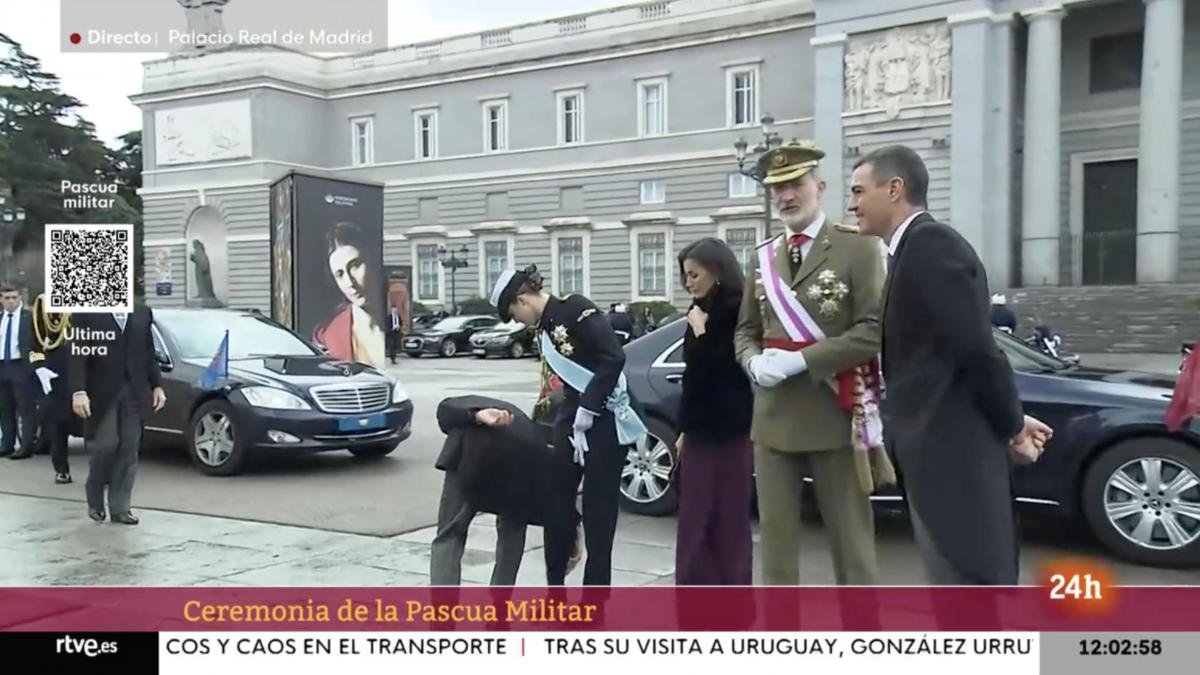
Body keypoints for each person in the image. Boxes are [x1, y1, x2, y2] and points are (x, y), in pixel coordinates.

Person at [847, 144, 1051, 585]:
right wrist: (1010, 417)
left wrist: (1012, 426)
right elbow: (939, 362)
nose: (852, 203)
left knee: (967, 597)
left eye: (860, 191)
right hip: (939, 455)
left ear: (895, 189)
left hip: (952, 464)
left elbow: (976, 349)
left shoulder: (931, 246)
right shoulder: (911, 251)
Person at [733, 140, 893, 586]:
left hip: (835, 414)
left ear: (819, 187)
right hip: (773, 420)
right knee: (778, 551)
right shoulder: (761, 258)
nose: (786, 196)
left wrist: (800, 361)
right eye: (777, 188)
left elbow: (872, 330)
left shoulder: (858, 248)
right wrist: (752, 362)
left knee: (852, 545)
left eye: (795, 184)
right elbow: (745, 330)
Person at [491, 265, 646, 585]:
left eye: (514, 314)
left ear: (522, 299)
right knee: (556, 503)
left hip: (604, 420)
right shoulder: (542, 328)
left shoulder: (575, 308)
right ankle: (555, 589)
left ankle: (595, 600)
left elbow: (613, 358)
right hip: (570, 418)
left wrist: (590, 407)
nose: (518, 321)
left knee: (598, 512)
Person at [673, 238, 754, 585]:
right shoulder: (698, 310)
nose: (689, 282)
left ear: (717, 270)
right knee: (695, 521)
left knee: (728, 521)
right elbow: (693, 381)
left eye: (694, 274)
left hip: (730, 432)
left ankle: (731, 602)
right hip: (699, 433)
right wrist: (684, 430)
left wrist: (701, 333)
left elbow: (724, 371)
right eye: (685, 276)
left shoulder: (737, 311)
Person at [431, 395, 550, 585]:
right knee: (512, 531)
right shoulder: (536, 445)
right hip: (473, 459)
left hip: (500, 464)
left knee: (451, 534)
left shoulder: (532, 447)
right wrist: (477, 416)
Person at [70, 304, 167, 525]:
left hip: (135, 391)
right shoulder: (86, 313)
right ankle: (95, 492)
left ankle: (120, 508)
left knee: (129, 448)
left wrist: (157, 385)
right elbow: (76, 355)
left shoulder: (143, 312)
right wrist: (78, 391)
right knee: (105, 446)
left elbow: (148, 352)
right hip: (101, 393)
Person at [313, 222, 386, 369]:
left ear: (371, 261)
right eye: (339, 275)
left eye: (354, 266)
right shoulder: (327, 334)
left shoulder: (394, 321)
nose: (349, 283)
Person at [30, 294, 74, 483]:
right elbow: (36, 339)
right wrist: (39, 367)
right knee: (58, 424)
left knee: (96, 424)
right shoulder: (44, 302)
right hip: (56, 366)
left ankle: (101, 473)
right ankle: (61, 469)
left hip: (87, 362)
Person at [0, 284, 38, 459]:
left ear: (20, 298)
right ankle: (7, 444)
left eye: (14, 297)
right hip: (2, 367)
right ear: (1, 300)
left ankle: (26, 447)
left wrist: (32, 368)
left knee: (25, 409)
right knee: (5, 408)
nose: (11, 301)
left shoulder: (28, 318)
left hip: (21, 366)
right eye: (7, 298)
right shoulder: (0, 318)